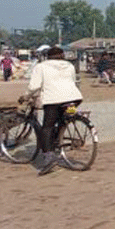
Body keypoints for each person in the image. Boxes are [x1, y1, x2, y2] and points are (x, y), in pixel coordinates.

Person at [22, 46, 83, 175]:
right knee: (64, 119)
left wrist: (25, 96)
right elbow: (72, 81)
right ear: (62, 55)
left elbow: (34, 86)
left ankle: (48, 157)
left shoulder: (41, 67)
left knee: (47, 127)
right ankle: (58, 140)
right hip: (74, 100)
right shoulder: (69, 66)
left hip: (53, 101)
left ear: (47, 56)